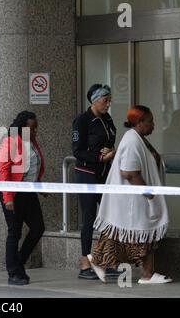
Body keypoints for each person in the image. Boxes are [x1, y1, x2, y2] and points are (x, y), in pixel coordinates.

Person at [88, 105, 172, 284]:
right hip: (134, 199)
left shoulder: (138, 138)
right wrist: (148, 193)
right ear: (139, 122)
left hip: (134, 198)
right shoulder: (132, 141)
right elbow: (130, 172)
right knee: (140, 234)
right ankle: (146, 274)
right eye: (150, 121)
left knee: (135, 235)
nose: (154, 125)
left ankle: (145, 273)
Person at [72, 84, 117, 280]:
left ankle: (106, 260)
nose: (108, 104)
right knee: (89, 217)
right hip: (87, 173)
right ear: (94, 100)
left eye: (109, 100)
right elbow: (77, 151)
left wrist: (110, 151)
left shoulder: (107, 119)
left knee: (111, 216)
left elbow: (110, 141)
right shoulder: (82, 121)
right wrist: (99, 158)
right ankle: (84, 263)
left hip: (104, 173)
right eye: (105, 100)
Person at [0, 111, 46, 285]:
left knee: (38, 227)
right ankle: (13, 272)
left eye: (35, 128)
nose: (34, 131)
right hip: (13, 193)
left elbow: (34, 166)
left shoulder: (31, 142)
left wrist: (40, 185)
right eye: (31, 128)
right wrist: (8, 198)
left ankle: (19, 262)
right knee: (15, 232)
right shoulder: (10, 141)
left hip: (29, 191)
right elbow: (4, 171)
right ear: (22, 127)